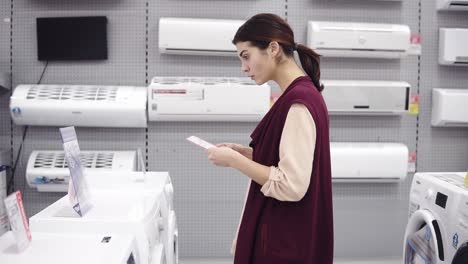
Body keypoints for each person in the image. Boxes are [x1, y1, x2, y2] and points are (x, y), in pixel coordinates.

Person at [206, 13, 333, 264]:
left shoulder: (298, 104)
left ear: (273, 48)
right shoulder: (299, 96)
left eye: (246, 56)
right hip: (286, 237)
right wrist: (248, 153)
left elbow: (291, 185)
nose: (244, 67)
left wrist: (233, 160)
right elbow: (289, 158)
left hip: (282, 243)